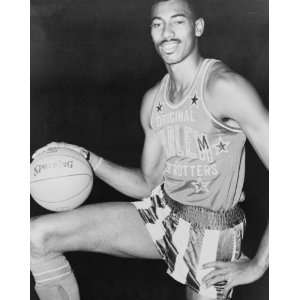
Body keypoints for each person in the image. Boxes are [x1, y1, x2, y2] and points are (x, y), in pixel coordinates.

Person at [30, 0, 269, 299]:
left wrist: (259, 264)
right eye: (158, 24)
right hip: (164, 213)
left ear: (198, 27)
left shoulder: (224, 87)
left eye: (177, 21)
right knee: (35, 237)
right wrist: (90, 160)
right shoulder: (154, 100)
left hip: (213, 234)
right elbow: (148, 183)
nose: (166, 32)